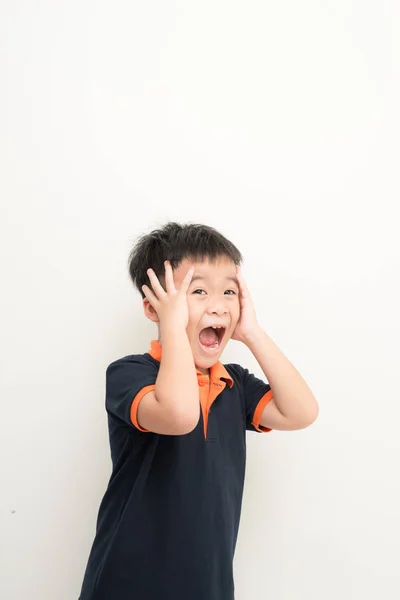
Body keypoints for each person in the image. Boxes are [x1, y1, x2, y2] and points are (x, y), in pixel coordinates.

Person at [79, 222, 319, 600]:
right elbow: (179, 415)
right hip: (127, 583)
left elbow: (301, 412)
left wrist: (252, 332)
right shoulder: (131, 374)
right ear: (153, 306)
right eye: (199, 291)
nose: (218, 304)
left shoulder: (234, 384)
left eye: (228, 291)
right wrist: (172, 326)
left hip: (208, 586)